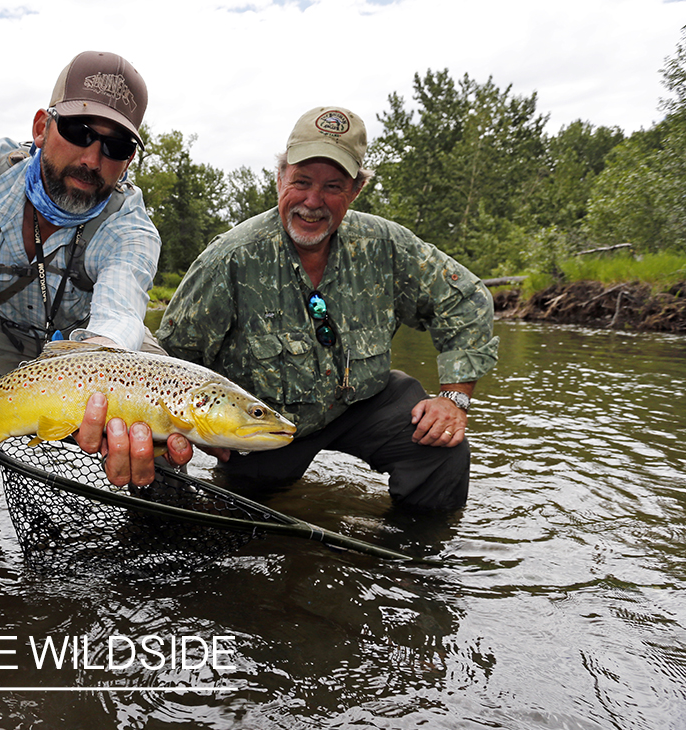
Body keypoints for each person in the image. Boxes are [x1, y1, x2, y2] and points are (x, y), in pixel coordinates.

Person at [0, 50, 190, 508]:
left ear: (128, 161)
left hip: (96, 344)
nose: (92, 158)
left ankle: (162, 516)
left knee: (169, 422)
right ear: (41, 127)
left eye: (116, 147)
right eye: (78, 132)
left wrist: (99, 383)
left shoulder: (132, 228)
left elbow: (118, 319)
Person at [158, 106, 499, 510]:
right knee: (240, 516)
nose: (312, 202)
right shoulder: (229, 259)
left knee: (441, 448)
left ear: (355, 190)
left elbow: (468, 300)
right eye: (301, 181)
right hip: (263, 424)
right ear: (280, 178)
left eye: (333, 186)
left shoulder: (388, 245)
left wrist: (453, 399)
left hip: (365, 403)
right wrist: (186, 439)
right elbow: (169, 360)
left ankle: (413, 565)